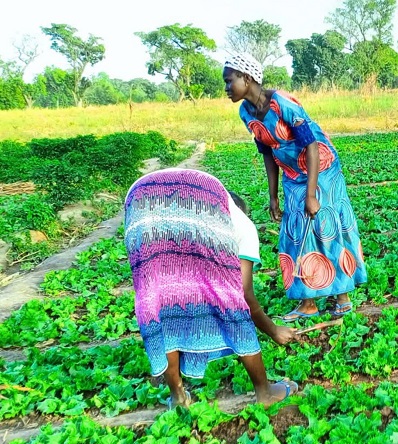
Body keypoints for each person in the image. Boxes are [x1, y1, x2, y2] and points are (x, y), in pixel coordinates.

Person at [124, 168, 299, 410]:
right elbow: (244, 294)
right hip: (178, 194)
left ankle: (178, 397)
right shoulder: (243, 224)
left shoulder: (210, 202)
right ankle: (265, 392)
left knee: (160, 301)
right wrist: (273, 330)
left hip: (139, 202)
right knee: (228, 299)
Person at [223, 52, 367, 321]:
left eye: (230, 81)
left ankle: (343, 297)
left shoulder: (282, 104)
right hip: (292, 173)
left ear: (246, 77)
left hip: (320, 169)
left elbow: (311, 144)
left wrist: (311, 194)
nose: (226, 88)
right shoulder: (246, 113)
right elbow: (267, 152)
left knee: (325, 226)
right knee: (294, 232)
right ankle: (308, 302)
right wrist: (273, 196)